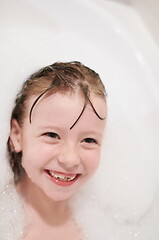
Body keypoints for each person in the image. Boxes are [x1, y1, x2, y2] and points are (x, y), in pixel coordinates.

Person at [7, 61, 107, 239]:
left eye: (89, 140)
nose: (70, 159)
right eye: (52, 135)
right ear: (17, 136)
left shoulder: (109, 220)